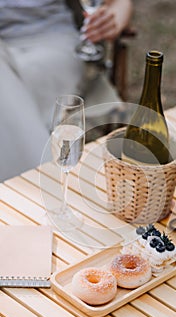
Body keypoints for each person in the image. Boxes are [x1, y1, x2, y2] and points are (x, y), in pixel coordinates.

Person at [0, 0, 133, 182]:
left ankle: (35, 187)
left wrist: (110, 22)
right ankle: (44, 186)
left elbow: (119, 3)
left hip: (52, 45)